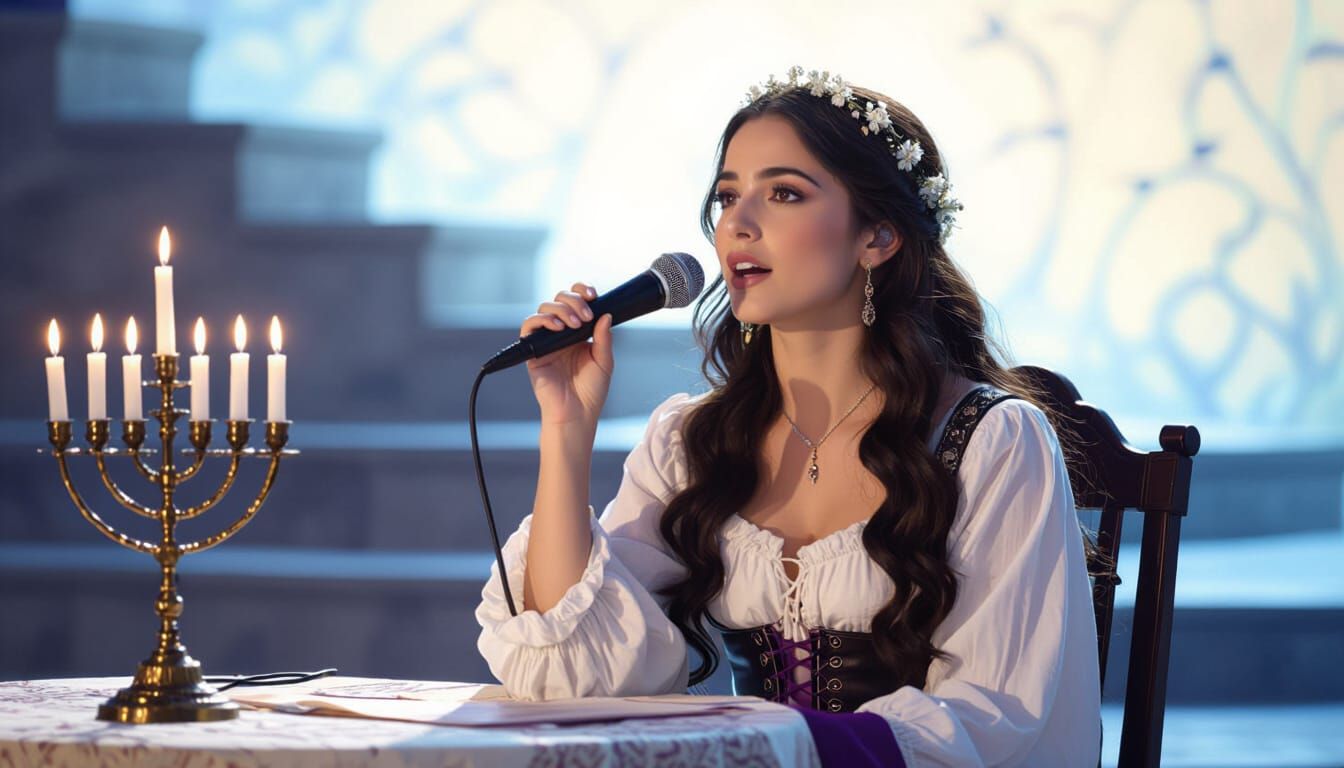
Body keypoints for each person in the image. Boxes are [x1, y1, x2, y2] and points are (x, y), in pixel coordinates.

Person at [476, 66, 1101, 767]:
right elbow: (574, 671)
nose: (738, 224)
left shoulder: (991, 441)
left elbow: (994, 713)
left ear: (878, 237)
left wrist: (768, 746)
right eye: (727, 197)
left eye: (784, 193)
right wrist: (566, 431)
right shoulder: (692, 442)